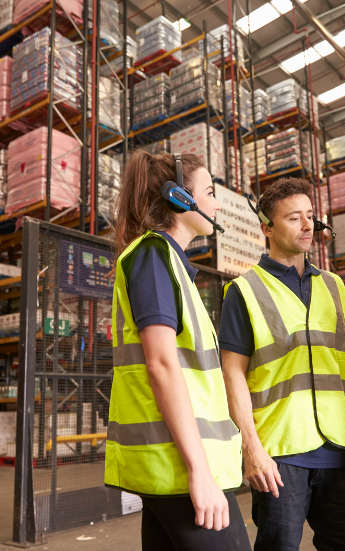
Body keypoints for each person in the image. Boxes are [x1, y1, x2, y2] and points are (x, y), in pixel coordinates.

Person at [219, 177, 345, 551]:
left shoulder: (334, 285)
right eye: (294, 218)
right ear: (267, 227)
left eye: (310, 216)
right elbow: (232, 374)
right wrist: (251, 448)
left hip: (340, 448)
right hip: (281, 452)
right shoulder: (244, 291)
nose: (308, 225)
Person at [105, 150, 250, 551]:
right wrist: (199, 470)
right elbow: (162, 365)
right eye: (209, 191)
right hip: (179, 465)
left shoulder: (167, 262)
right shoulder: (153, 257)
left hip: (171, 464)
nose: (218, 203)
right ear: (179, 199)